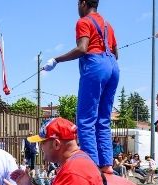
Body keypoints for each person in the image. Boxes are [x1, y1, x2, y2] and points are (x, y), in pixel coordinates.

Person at [42, 0, 119, 173]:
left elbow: (82, 48)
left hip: (95, 65)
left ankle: (90, 166)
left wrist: (56, 60)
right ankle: (106, 165)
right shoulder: (108, 25)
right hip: (113, 67)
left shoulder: (83, 21)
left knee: (85, 120)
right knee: (103, 119)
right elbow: (116, 53)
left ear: (83, 3)